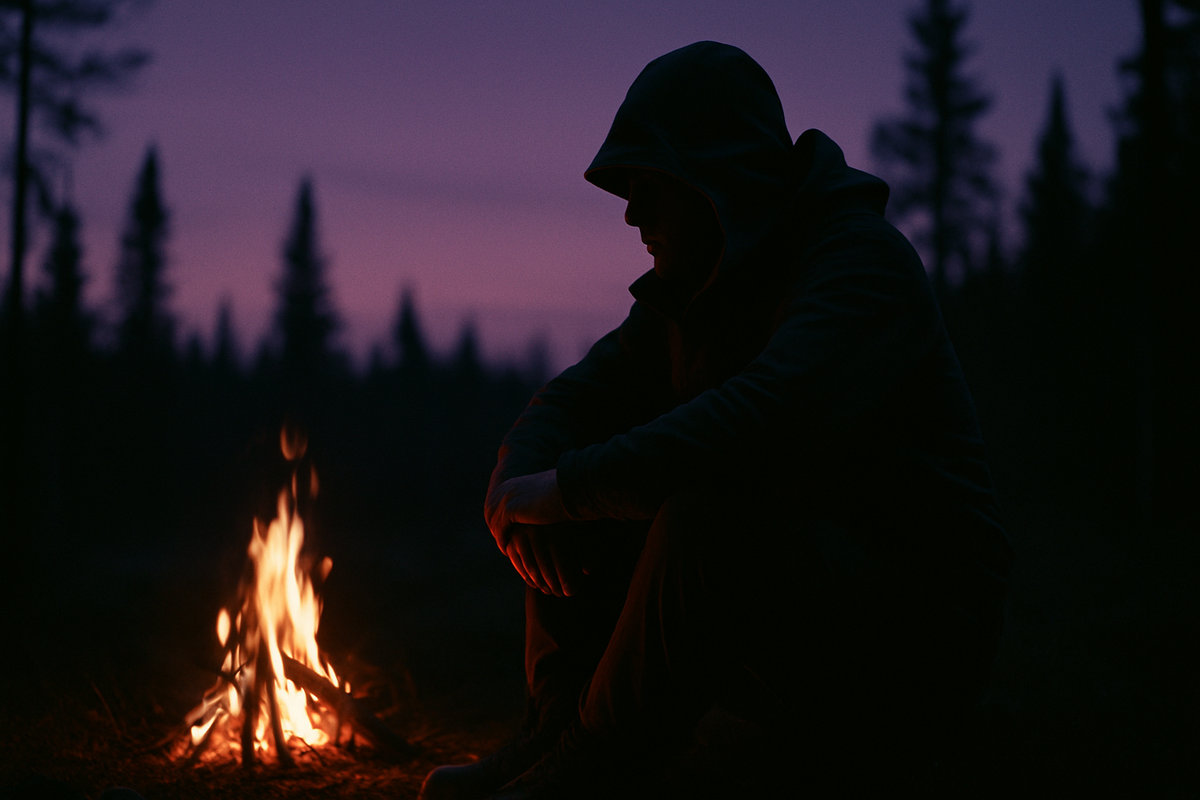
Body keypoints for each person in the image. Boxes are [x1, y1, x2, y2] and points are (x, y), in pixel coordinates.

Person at [420, 41, 1012, 799]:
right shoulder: (698, 291)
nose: (630, 211)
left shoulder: (861, 264)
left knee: (701, 517)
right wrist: (520, 488)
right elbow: (573, 400)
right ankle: (555, 736)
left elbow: (762, 421)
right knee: (590, 492)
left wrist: (564, 487)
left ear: (715, 176)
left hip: (916, 640)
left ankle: (589, 773)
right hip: (800, 614)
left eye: (648, 183)